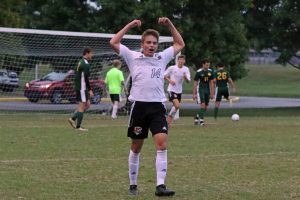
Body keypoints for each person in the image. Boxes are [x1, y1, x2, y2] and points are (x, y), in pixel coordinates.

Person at [110, 17, 184, 196]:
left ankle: (160, 186)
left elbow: (179, 43)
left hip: (157, 106)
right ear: (142, 44)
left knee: (161, 143)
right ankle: (133, 184)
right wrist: (130, 25)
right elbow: (113, 41)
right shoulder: (132, 56)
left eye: (155, 43)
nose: (152, 45)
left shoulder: (162, 57)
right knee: (136, 147)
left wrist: (169, 25)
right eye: (148, 42)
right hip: (139, 108)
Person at [68, 47, 94, 131]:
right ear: (87, 53)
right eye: (91, 53)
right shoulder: (85, 64)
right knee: (82, 106)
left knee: (87, 105)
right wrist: (90, 89)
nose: (92, 55)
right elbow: (86, 78)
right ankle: (78, 127)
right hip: (82, 88)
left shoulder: (80, 61)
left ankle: (73, 118)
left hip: (80, 87)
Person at [164, 54, 191, 125]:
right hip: (171, 90)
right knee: (177, 105)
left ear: (184, 61)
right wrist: (169, 80)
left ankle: (168, 121)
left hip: (179, 91)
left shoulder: (186, 69)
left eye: (183, 60)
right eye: (180, 60)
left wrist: (185, 77)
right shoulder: (172, 68)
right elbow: (164, 75)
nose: (181, 61)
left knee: (176, 106)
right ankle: (169, 116)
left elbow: (188, 81)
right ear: (178, 60)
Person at [192, 59, 215, 126]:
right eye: (206, 65)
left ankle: (197, 116)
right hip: (200, 90)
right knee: (203, 105)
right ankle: (201, 121)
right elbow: (195, 83)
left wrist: (212, 93)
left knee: (206, 107)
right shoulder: (199, 72)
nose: (208, 66)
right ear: (203, 64)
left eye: (209, 65)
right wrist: (194, 94)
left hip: (207, 90)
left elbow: (212, 83)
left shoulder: (210, 72)